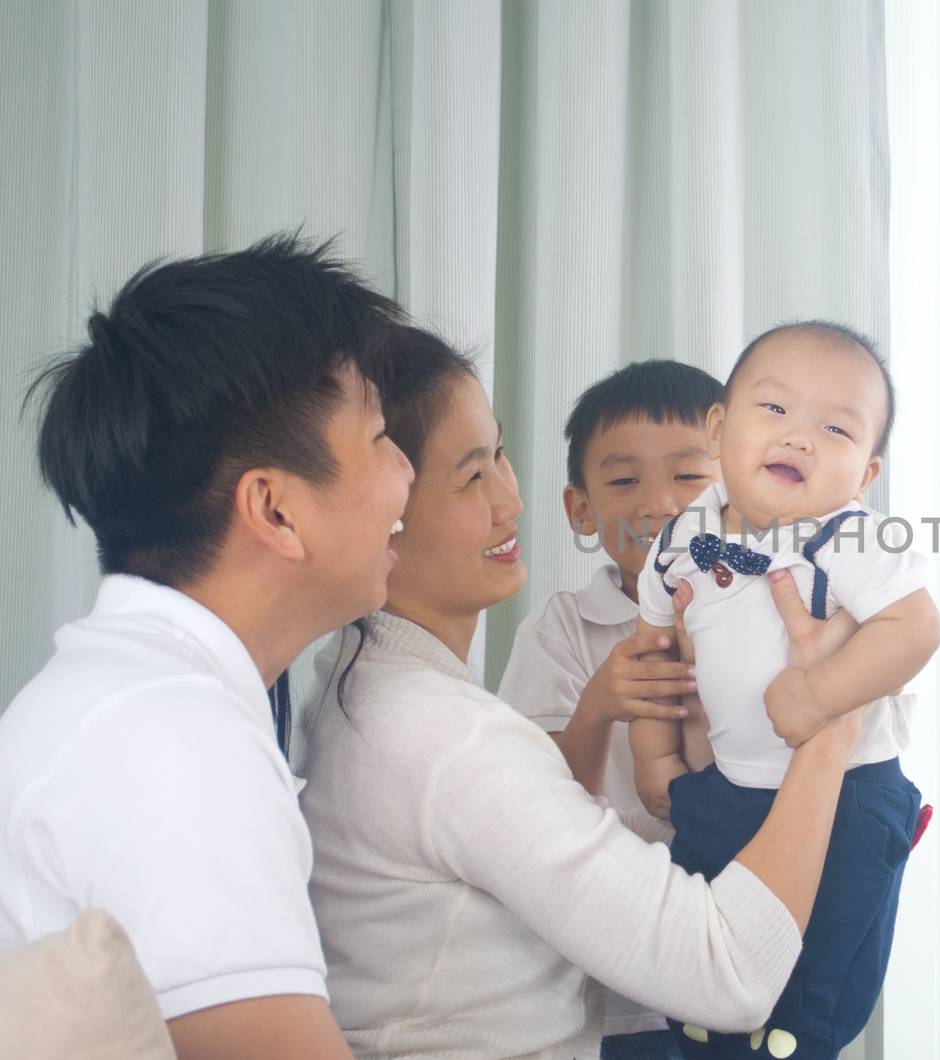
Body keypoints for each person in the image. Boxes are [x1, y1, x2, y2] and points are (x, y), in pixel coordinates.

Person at [297, 326, 868, 1059]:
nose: (511, 500)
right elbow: (727, 971)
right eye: (472, 476)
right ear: (381, 507)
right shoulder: (448, 730)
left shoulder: (367, 688)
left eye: (499, 455)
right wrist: (832, 719)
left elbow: (561, 828)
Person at [0, 234, 414, 1060]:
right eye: (377, 438)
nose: (407, 473)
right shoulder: (174, 743)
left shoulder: (123, 691)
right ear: (276, 511)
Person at [632, 322, 940, 1059]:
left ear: (865, 475)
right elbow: (651, 647)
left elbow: (917, 627)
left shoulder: (854, 537)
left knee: (817, 977)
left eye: (834, 428)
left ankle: (795, 1038)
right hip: (729, 783)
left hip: (851, 793)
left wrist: (818, 695)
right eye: (775, 411)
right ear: (718, 427)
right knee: (709, 951)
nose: (800, 438)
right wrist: (653, 760)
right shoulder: (684, 533)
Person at [498, 359, 726, 1059]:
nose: (659, 504)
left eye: (689, 478)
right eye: (624, 480)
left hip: (743, 955)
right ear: (582, 510)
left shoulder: (775, 618)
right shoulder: (560, 630)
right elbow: (530, 813)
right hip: (621, 997)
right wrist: (598, 705)